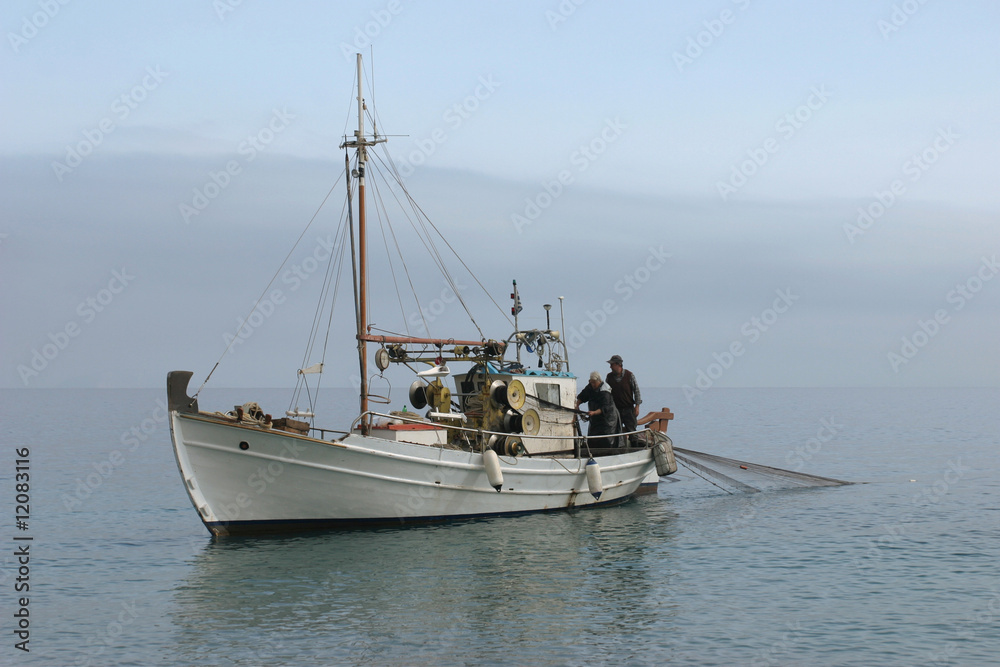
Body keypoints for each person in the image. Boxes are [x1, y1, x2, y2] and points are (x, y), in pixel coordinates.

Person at [575, 371, 621, 448]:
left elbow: (605, 407)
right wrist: (577, 404)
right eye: (591, 382)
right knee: (593, 437)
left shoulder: (605, 391)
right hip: (595, 418)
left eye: (594, 383)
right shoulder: (590, 387)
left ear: (599, 381)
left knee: (606, 439)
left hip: (608, 419)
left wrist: (594, 412)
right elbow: (582, 396)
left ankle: (608, 452)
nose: (593, 385)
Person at [605, 354, 641, 447]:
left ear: (618, 365)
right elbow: (606, 393)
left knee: (632, 432)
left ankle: (635, 450)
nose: (610, 367)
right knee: (616, 432)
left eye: (612, 364)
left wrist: (637, 406)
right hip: (615, 410)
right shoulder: (609, 377)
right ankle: (617, 452)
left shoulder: (629, 375)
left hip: (628, 409)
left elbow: (636, 391)